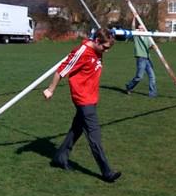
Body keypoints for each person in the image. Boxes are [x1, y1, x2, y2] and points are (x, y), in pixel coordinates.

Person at [43, 28, 121, 183]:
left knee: (77, 129)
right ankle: (107, 172)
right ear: (97, 41)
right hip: (83, 99)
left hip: (91, 97)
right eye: (105, 48)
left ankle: (60, 157)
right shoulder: (82, 52)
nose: (105, 52)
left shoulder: (98, 50)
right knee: (94, 136)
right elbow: (61, 71)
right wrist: (50, 89)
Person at [125, 22, 157, 97]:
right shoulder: (136, 35)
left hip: (148, 58)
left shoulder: (147, 36)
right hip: (140, 58)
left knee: (152, 76)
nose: (140, 30)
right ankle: (129, 87)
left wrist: (153, 47)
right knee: (139, 77)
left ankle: (152, 94)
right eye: (139, 28)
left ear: (144, 29)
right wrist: (134, 18)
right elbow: (132, 27)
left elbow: (150, 46)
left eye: (141, 28)